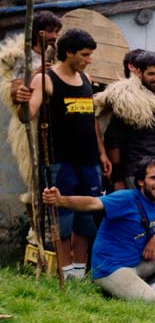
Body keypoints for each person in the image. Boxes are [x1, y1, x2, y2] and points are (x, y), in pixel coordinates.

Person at [42, 156, 155, 304]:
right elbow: (92, 203)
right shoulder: (125, 199)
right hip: (111, 268)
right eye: (154, 178)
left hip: (137, 263)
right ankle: (123, 289)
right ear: (141, 181)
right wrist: (61, 200)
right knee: (151, 301)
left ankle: (154, 285)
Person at [25, 28, 111, 280]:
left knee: (86, 219)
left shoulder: (86, 78)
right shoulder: (46, 80)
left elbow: (91, 119)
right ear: (68, 52)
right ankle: (63, 272)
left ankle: (78, 274)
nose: (89, 59)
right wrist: (21, 99)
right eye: (84, 54)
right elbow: (27, 114)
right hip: (60, 163)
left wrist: (102, 153)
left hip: (89, 161)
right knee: (62, 219)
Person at [99, 51, 155, 201]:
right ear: (139, 72)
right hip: (136, 172)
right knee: (141, 218)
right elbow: (112, 143)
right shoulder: (127, 101)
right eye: (151, 74)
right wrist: (118, 178)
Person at [2, 11, 62, 202]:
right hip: (33, 121)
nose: (55, 36)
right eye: (51, 31)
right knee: (37, 177)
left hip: (52, 121)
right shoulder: (26, 57)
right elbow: (16, 89)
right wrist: (37, 73)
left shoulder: (54, 53)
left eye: (57, 32)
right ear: (39, 33)